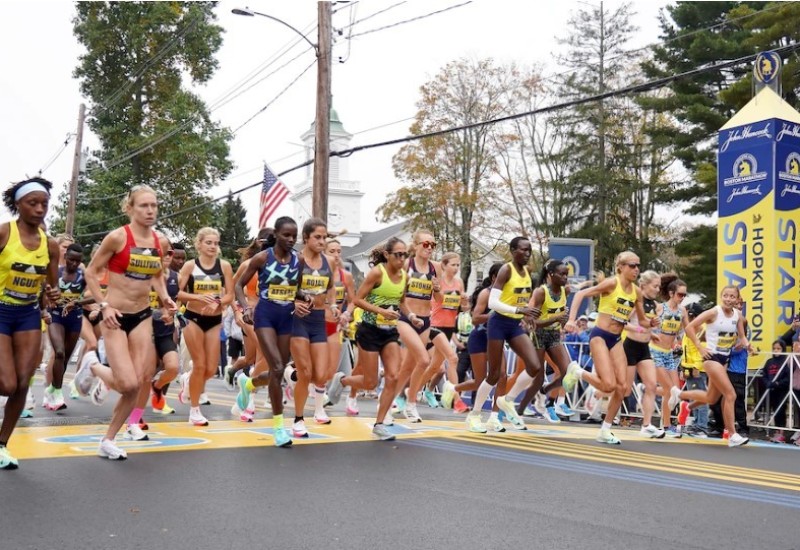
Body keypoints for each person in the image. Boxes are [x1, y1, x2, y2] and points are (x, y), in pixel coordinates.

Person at [74, 185, 176, 460]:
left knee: (141, 380)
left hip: (142, 315)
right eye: (144, 205)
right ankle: (93, 365)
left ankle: (108, 440)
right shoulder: (118, 238)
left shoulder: (157, 241)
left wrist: (165, 297)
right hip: (115, 316)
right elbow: (92, 273)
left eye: (154, 205)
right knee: (128, 384)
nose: (150, 210)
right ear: (130, 208)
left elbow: (156, 274)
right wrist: (104, 305)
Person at [563, 251, 655, 445]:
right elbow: (581, 293)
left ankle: (605, 430)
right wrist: (571, 319)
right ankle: (577, 371)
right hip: (600, 336)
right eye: (631, 265)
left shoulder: (637, 291)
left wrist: (651, 322)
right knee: (608, 385)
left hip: (615, 339)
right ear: (621, 267)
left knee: (622, 387)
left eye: (638, 265)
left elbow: (643, 321)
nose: (636, 269)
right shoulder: (612, 283)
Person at [0, 178, 60, 469]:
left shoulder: (51, 245)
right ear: (18, 205)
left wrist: (52, 294)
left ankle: (1, 445)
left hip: (27, 314)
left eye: (44, 204)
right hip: (0, 310)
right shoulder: (3, 233)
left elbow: (51, 288)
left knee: (22, 384)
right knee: (6, 383)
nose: (39, 209)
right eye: (32, 203)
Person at [327, 238, 409, 440]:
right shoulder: (377, 273)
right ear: (388, 255)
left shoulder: (405, 275)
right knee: (371, 382)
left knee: (393, 377)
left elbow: (401, 302)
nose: (402, 258)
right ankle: (343, 380)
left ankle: (379, 424)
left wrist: (412, 315)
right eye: (398, 254)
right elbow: (357, 299)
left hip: (390, 332)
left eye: (405, 254)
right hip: (369, 331)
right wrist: (381, 310)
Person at [233, 216, 299, 448]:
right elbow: (238, 286)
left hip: (287, 318)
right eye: (286, 235)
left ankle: (249, 384)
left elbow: (295, 289)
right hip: (265, 316)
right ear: (277, 236)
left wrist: (305, 297)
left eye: (294, 236)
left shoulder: (297, 261)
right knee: (279, 368)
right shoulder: (263, 258)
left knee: (276, 372)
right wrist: (246, 307)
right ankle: (279, 428)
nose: (291, 240)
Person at [466, 236, 542, 433]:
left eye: (529, 250)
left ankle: (507, 400)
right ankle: (474, 415)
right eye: (523, 250)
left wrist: (528, 317)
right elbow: (493, 303)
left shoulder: (527, 273)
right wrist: (520, 311)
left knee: (534, 366)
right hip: (498, 323)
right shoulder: (505, 270)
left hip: (515, 324)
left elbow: (520, 300)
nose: (527, 254)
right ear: (513, 250)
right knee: (494, 375)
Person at [676, 285, 749, 447]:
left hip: (724, 360)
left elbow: (742, 337)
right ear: (721, 297)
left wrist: (747, 345)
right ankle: (732, 435)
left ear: (737, 299)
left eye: (732, 297)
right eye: (725, 296)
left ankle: (680, 397)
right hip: (711, 359)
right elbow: (689, 327)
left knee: (711, 398)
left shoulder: (738, 315)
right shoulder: (713, 312)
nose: (728, 299)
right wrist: (700, 347)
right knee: (730, 394)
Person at [176, 227, 234, 426]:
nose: (212, 246)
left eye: (216, 243)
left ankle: (189, 378)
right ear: (199, 244)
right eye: (208, 242)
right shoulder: (190, 266)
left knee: (210, 369)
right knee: (200, 363)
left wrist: (218, 302)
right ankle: (194, 411)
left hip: (214, 320)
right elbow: (178, 293)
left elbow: (230, 295)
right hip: (193, 317)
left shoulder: (224, 266)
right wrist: (198, 297)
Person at [512, 259, 577, 423]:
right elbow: (531, 322)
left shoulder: (565, 291)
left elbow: (561, 314)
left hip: (554, 335)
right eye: (562, 274)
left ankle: (545, 392)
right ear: (551, 275)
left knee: (568, 372)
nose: (565, 278)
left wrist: (563, 321)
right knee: (536, 377)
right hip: (538, 336)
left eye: (566, 275)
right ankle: (518, 410)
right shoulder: (541, 292)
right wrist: (557, 318)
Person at [457, 262, 506, 431]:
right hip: (479, 337)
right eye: (504, 276)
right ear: (494, 277)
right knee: (481, 381)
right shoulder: (486, 293)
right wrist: (494, 314)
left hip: (496, 339)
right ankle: (454, 389)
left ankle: (494, 417)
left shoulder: (508, 294)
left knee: (502, 376)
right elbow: (475, 318)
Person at [618, 270, 663, 438]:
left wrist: (651, 333)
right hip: (630, 346)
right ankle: (598, 398)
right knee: (625, 390)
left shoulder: (656, 306)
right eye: (655, 286)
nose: (658, 289)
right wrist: (640, 328)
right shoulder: (636, 301)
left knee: (651, 385)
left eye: (659, 286)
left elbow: (648, 325)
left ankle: (646, 425)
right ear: (644, 286)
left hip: (644, 348)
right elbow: (622, 322)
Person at [42, 243, 86, 412]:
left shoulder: (83, 275)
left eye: (78, 261)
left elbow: (95, 295)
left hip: (75, 317)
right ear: (65, 257)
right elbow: (43, 291)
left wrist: (78, 302)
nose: (74, 264)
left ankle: (52, 388)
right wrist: (47, 304)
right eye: (71, 260)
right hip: (56, 316)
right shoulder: (56, 274)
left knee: (65, 358)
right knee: (59, 352)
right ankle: (58, 393)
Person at [426, 252, 469, 412]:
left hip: (450, 326)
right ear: (444, 265)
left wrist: (464, 302)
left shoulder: (459, 283)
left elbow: (464, 309)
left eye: (458, 265)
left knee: (434, 367)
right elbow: (438, 301)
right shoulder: (438, 282)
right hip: (435, 326)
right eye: (453, 264)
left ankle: (411, 392)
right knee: (453, 359)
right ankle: (457, 400)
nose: (456, 268)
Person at [649, 273, 689, 438]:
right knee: (670, 390)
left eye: (684, 295)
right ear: (671, 293)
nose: (682, 298)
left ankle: (667, 425)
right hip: (655, 351)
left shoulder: (682, 310)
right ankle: (666, 424)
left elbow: (688, 330)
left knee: (674, 391)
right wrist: (650, 332)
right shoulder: (660, 308)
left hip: (669, 354)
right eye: (680, 294)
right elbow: (646, 324)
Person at [322, 236, 356, 419]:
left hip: (335, 325)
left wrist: (346, 314)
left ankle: (326, 392)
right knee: (316, 366)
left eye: (338, 251)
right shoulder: (317, 273)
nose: (336, 255)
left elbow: (353, 301)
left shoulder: (346, 276)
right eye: (331, 251)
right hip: (316, 323)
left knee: (330, 369)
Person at [679, 302, 709, 438]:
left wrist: (697, 367)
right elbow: (686, 350)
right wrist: (683, 368)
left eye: (691, 316)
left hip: (697, 369)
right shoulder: (689, 330)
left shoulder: (702, 331)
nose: (688, 319)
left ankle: (702, 426)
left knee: (701, 397)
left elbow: (701, 351)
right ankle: (696, 424)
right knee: (693, 397)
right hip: (689, 368)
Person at [759, 340, 789, 442]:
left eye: (778, 348)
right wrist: (767, 383)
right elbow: (764, 374)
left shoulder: (786, 361)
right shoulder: (769, 361)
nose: (776, 350)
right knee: (774, 410)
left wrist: (778, 383)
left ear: (783, 349)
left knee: (781, 410)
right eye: (774, 348)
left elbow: (788, 377)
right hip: (771, 389)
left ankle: (782, 432)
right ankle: (777, 430)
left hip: (781, 390)